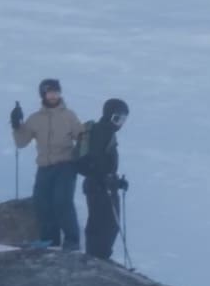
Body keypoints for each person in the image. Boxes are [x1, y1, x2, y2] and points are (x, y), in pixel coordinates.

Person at [11, 79, 85, 250]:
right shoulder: (35, 119)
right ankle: (50, 240)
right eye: (50, 92)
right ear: (43, 95)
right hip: (44, 166)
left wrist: (84, 148)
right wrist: (17, 126)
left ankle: (72, 240)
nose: (53, 96)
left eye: (56, 92)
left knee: (62, 201)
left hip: (66, 165)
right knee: (41, 201)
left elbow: (81, 136)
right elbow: (21, 142)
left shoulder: (69, 115)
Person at [78, 98, 129, 259]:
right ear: (109, 115)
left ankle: (97, 255)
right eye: (118, 118)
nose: (121, 123)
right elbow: (93, 162)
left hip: (102, 185)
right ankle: (98, 256)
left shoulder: (106, 132)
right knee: (105, 224)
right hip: (100, 187)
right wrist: (105, 178)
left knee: (104, 223)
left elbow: (104, 164)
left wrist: (116, 181)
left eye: (123, 119)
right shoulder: (101, 132)